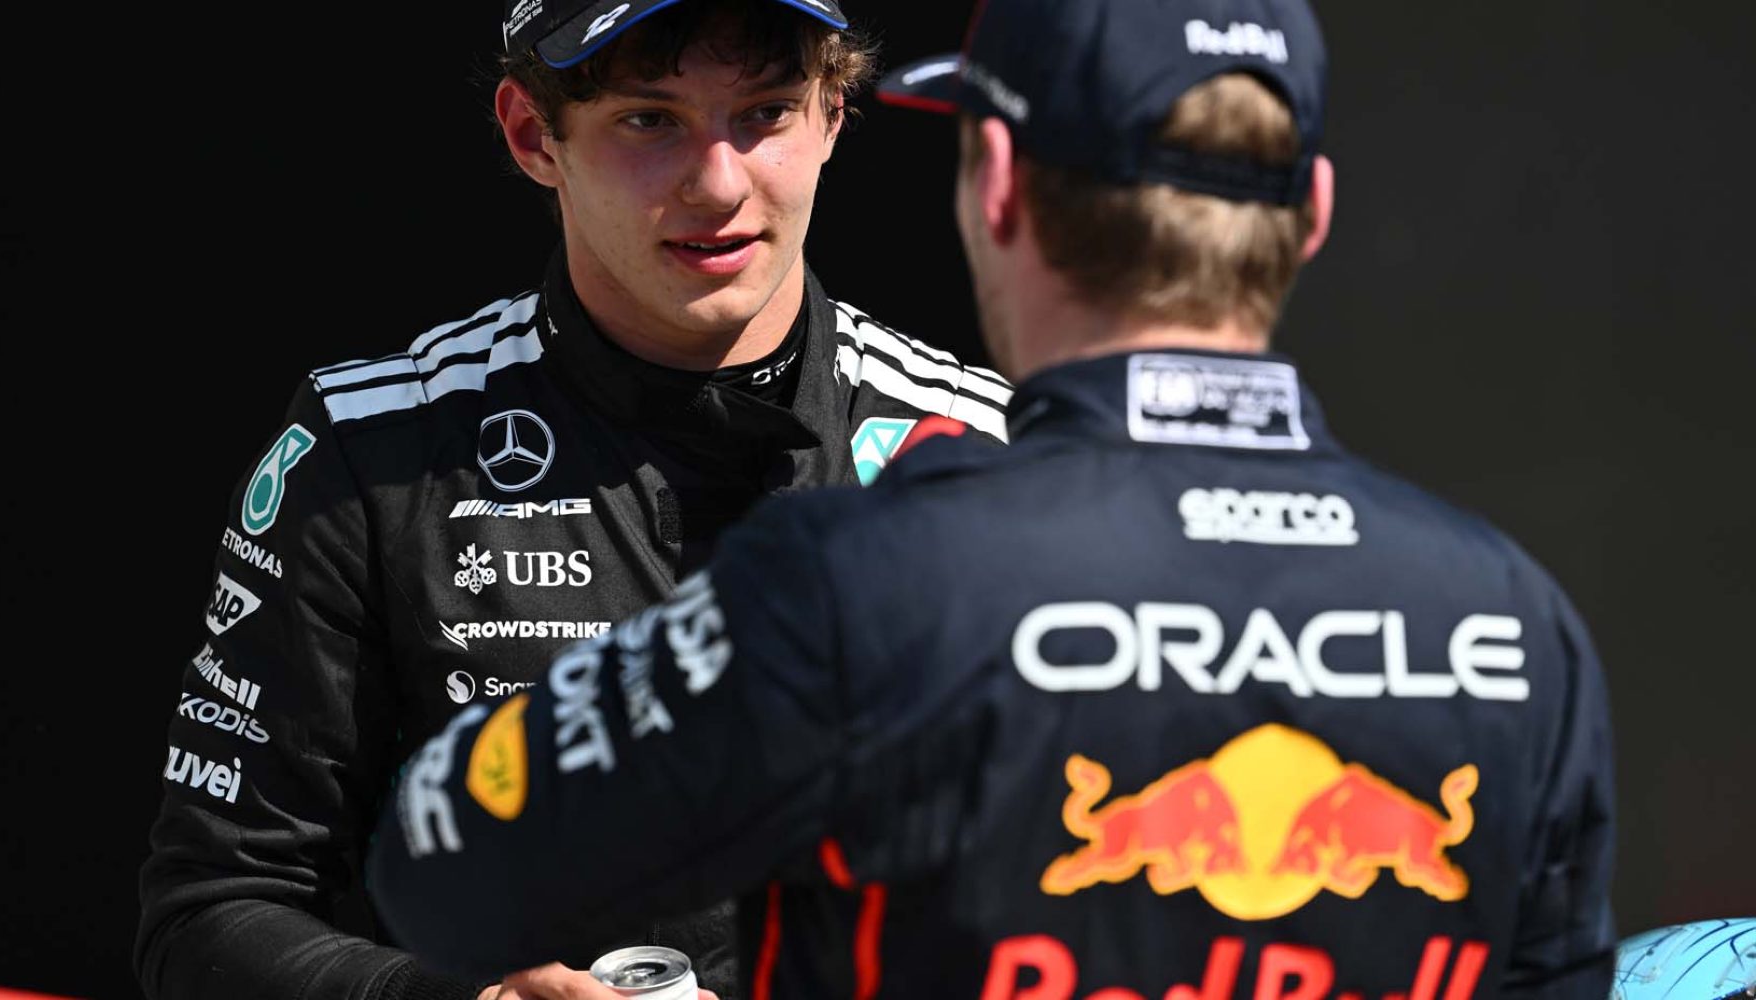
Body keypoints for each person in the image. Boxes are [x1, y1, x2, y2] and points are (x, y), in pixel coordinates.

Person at [363, 0, 1619, 996]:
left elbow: (439, 865)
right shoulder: (1520, 623)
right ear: (1314, 215)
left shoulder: (859, 573)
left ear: (996, 179)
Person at [132, 0, 1012, 997]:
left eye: (765, 114)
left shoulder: (992, 456)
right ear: (531, 134)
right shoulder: (374, 448)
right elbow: (210, 914)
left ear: (834, 117)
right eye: (650, 119)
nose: (718, 183)